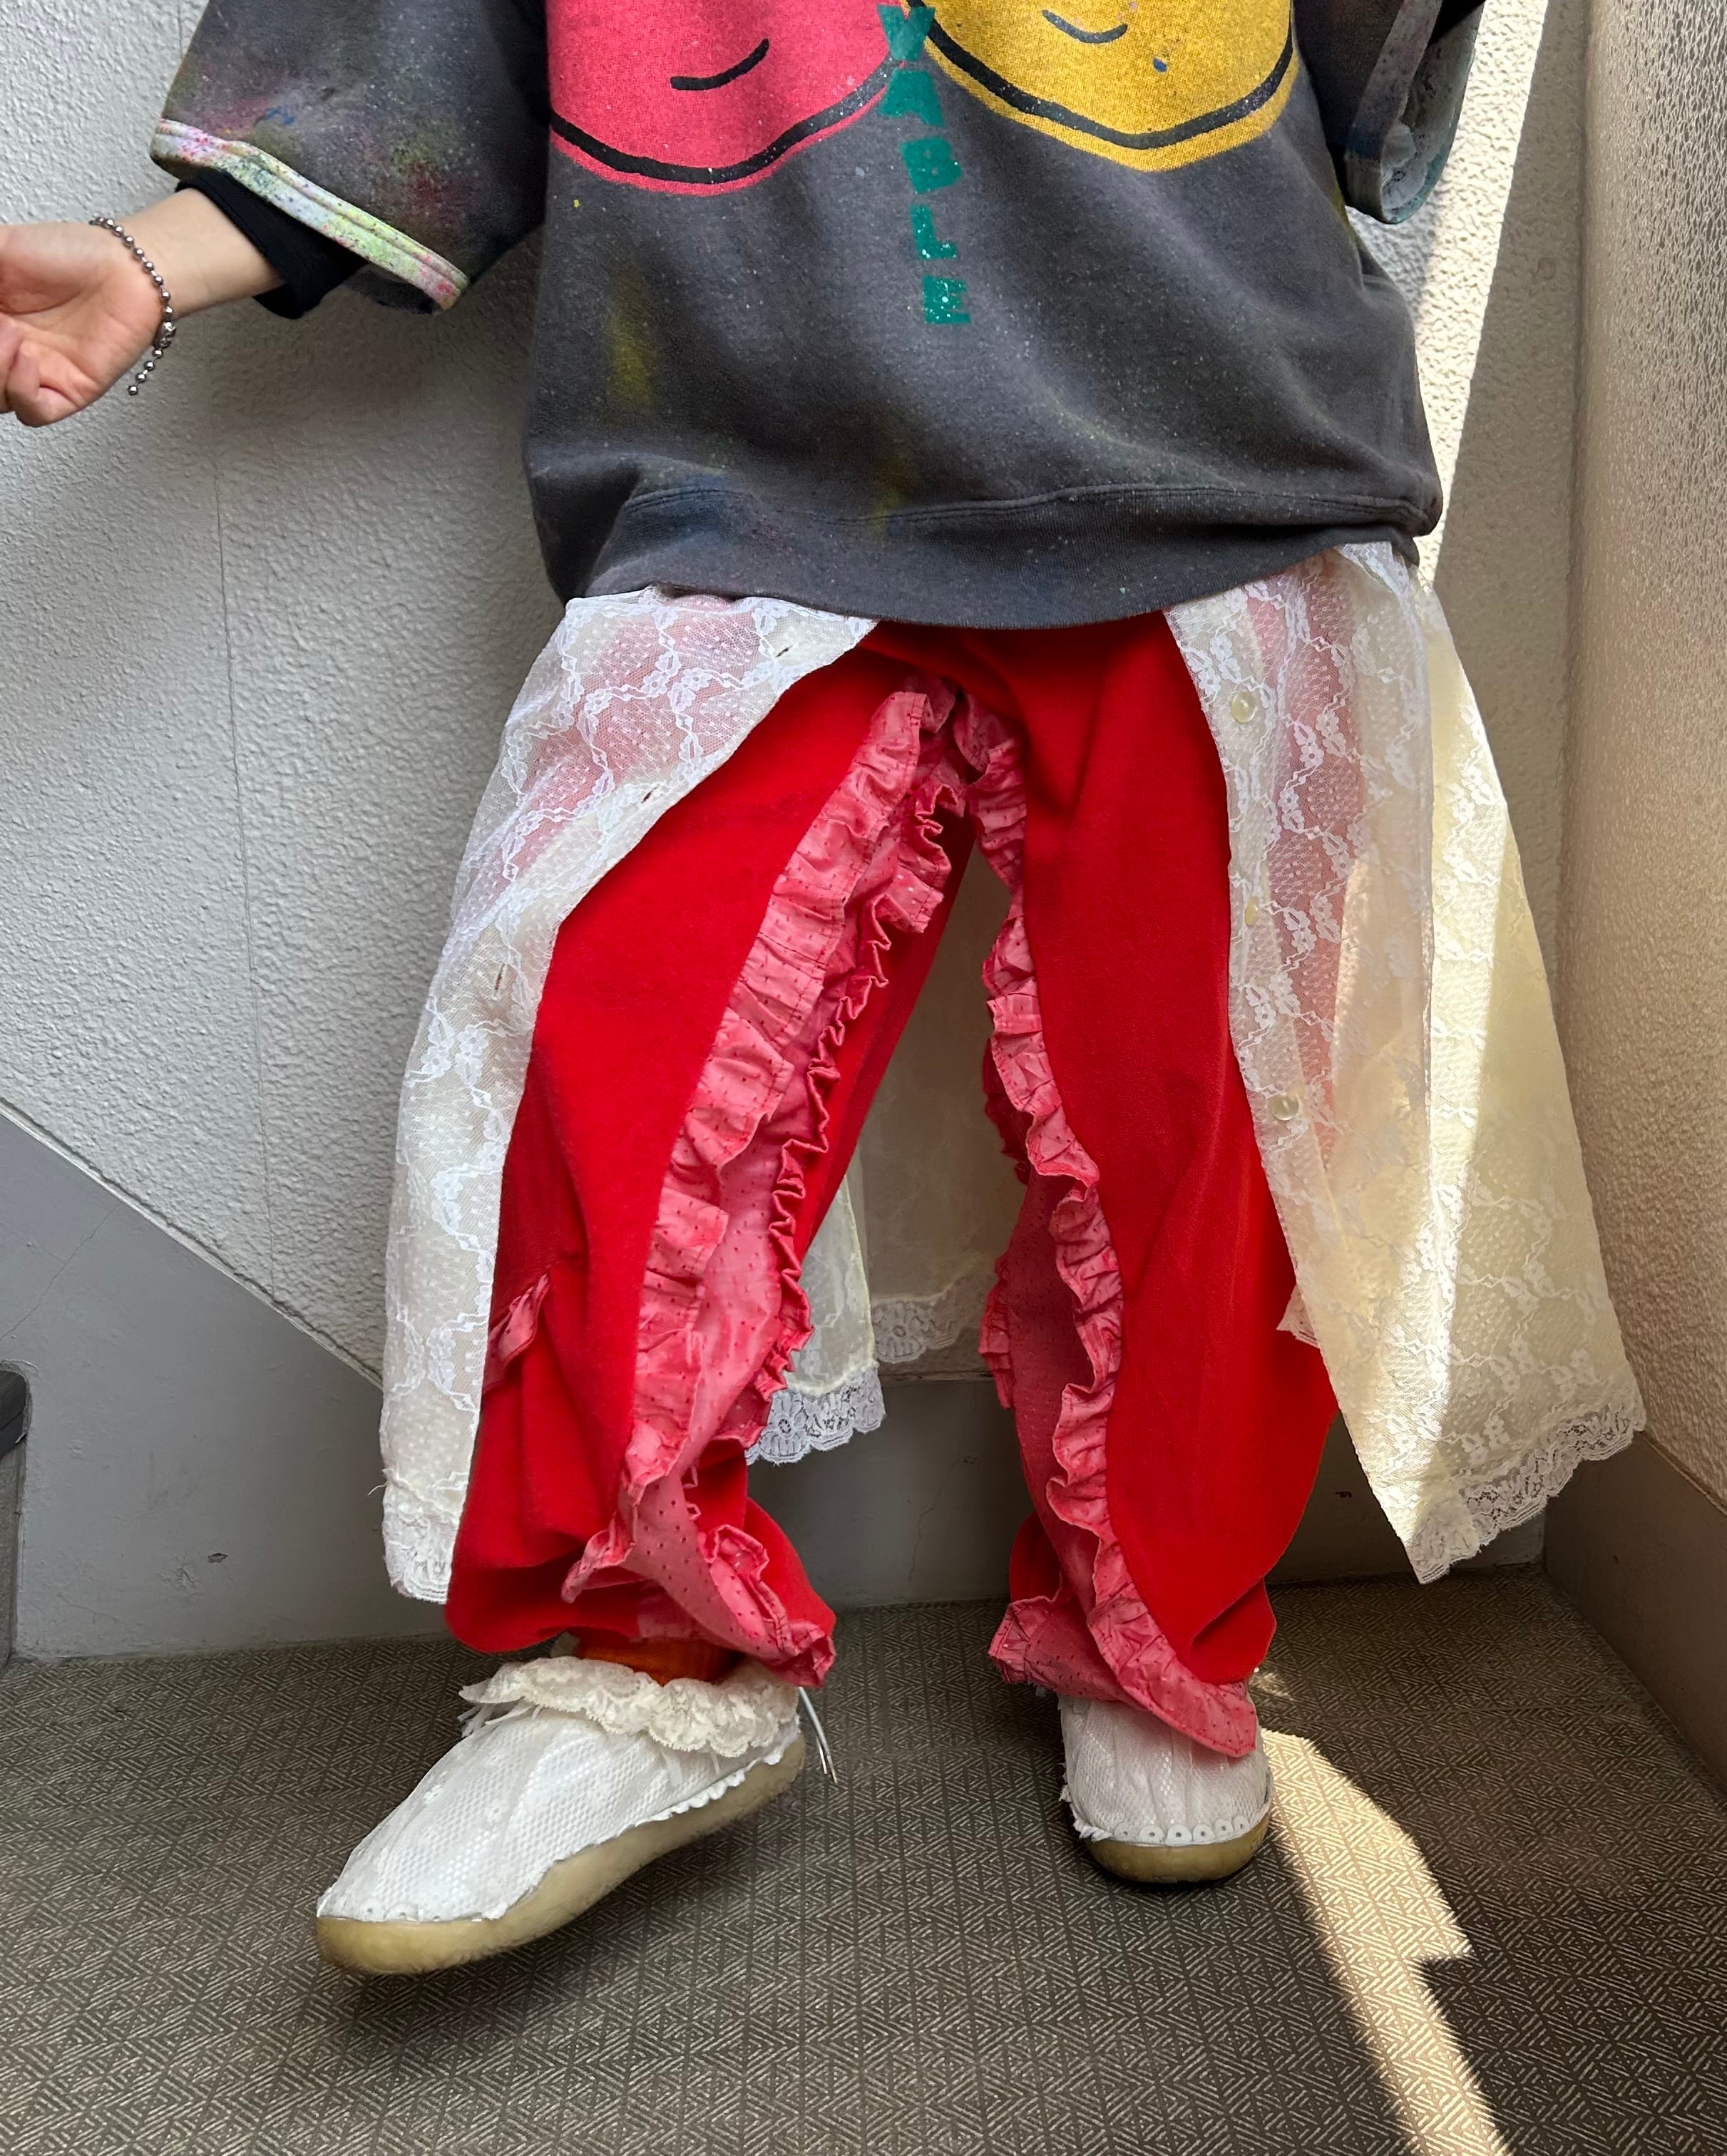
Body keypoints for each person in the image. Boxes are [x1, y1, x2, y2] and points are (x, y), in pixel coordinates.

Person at [0, 0, 1640, 1976]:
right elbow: (426, 39)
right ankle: (630, 1665)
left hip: (1216, 446)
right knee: (612, 1037)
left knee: (1209, 1097)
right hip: (740, 473)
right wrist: (159, 260)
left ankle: (1162, 1630)